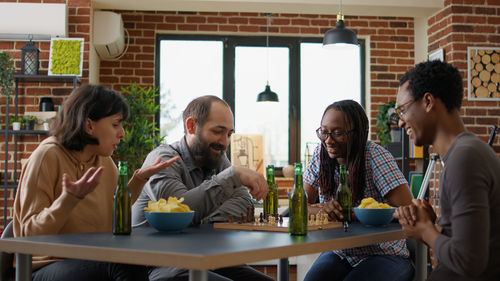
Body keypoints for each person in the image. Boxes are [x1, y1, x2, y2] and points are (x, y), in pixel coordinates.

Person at [12, 84, 179, 281]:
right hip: (46, 265)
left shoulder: (103, 161)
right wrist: (68, 200)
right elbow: (29, 235)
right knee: (120, 264)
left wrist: (140, 179)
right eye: (116, 124)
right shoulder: (47, 156)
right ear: (89, 125)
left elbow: (113, 205)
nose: (122, 133)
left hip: (92, 257)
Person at [132, 95, 272, 281]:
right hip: (156, 263)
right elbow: (179, 212)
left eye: (229, 134)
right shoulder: (162, 159)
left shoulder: (217, 157)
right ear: (191, 126)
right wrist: (233, 176)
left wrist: (198, 218)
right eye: (218, 131)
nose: (224, 142)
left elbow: (243, 202)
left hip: (202, 256)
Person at [394, 60, 500, 281]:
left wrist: (424, 231)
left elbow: (469, 261)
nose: (401, 123)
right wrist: (435, 226)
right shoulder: (465, 152)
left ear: (428, 101)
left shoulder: (464, 158)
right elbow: (474, 242)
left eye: (403, 110)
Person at [303, 100, 415, 281]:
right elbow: (299, 204)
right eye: (324, 132)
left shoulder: (374, 156)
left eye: (338, 133)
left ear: (356, 134)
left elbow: (409, 209)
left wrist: (353, 213)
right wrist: (321, 209)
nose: (328, 140)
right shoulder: (320, 155)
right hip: (341, 252)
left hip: (384, 252)